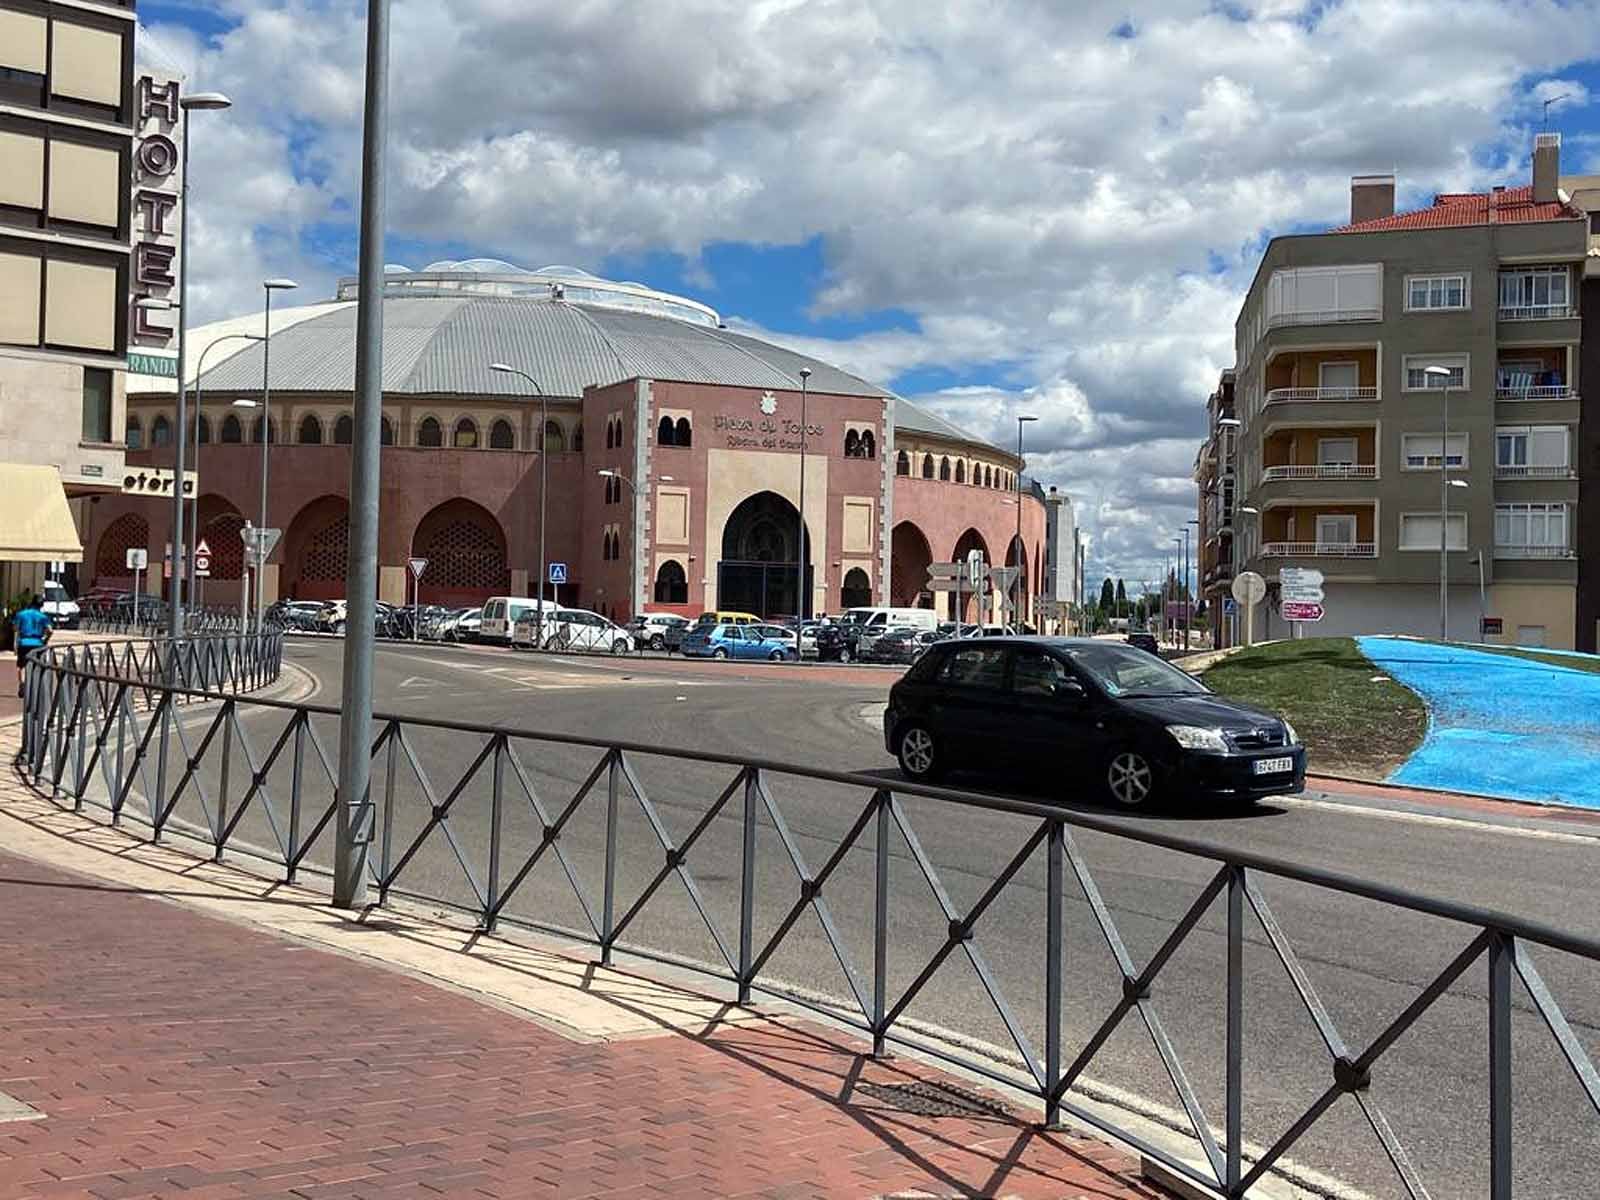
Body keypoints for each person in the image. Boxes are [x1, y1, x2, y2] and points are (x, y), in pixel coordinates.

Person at [13, 595, 52, 698]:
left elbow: (16, 630)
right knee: (36, 665)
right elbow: (50, 630)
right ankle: (34, 687)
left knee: (21, 665)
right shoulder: (43, 617)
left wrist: (15, 644)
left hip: (24, 642)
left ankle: (22, 685)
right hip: (37, 643)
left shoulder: (21, 614)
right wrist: (45, 640)